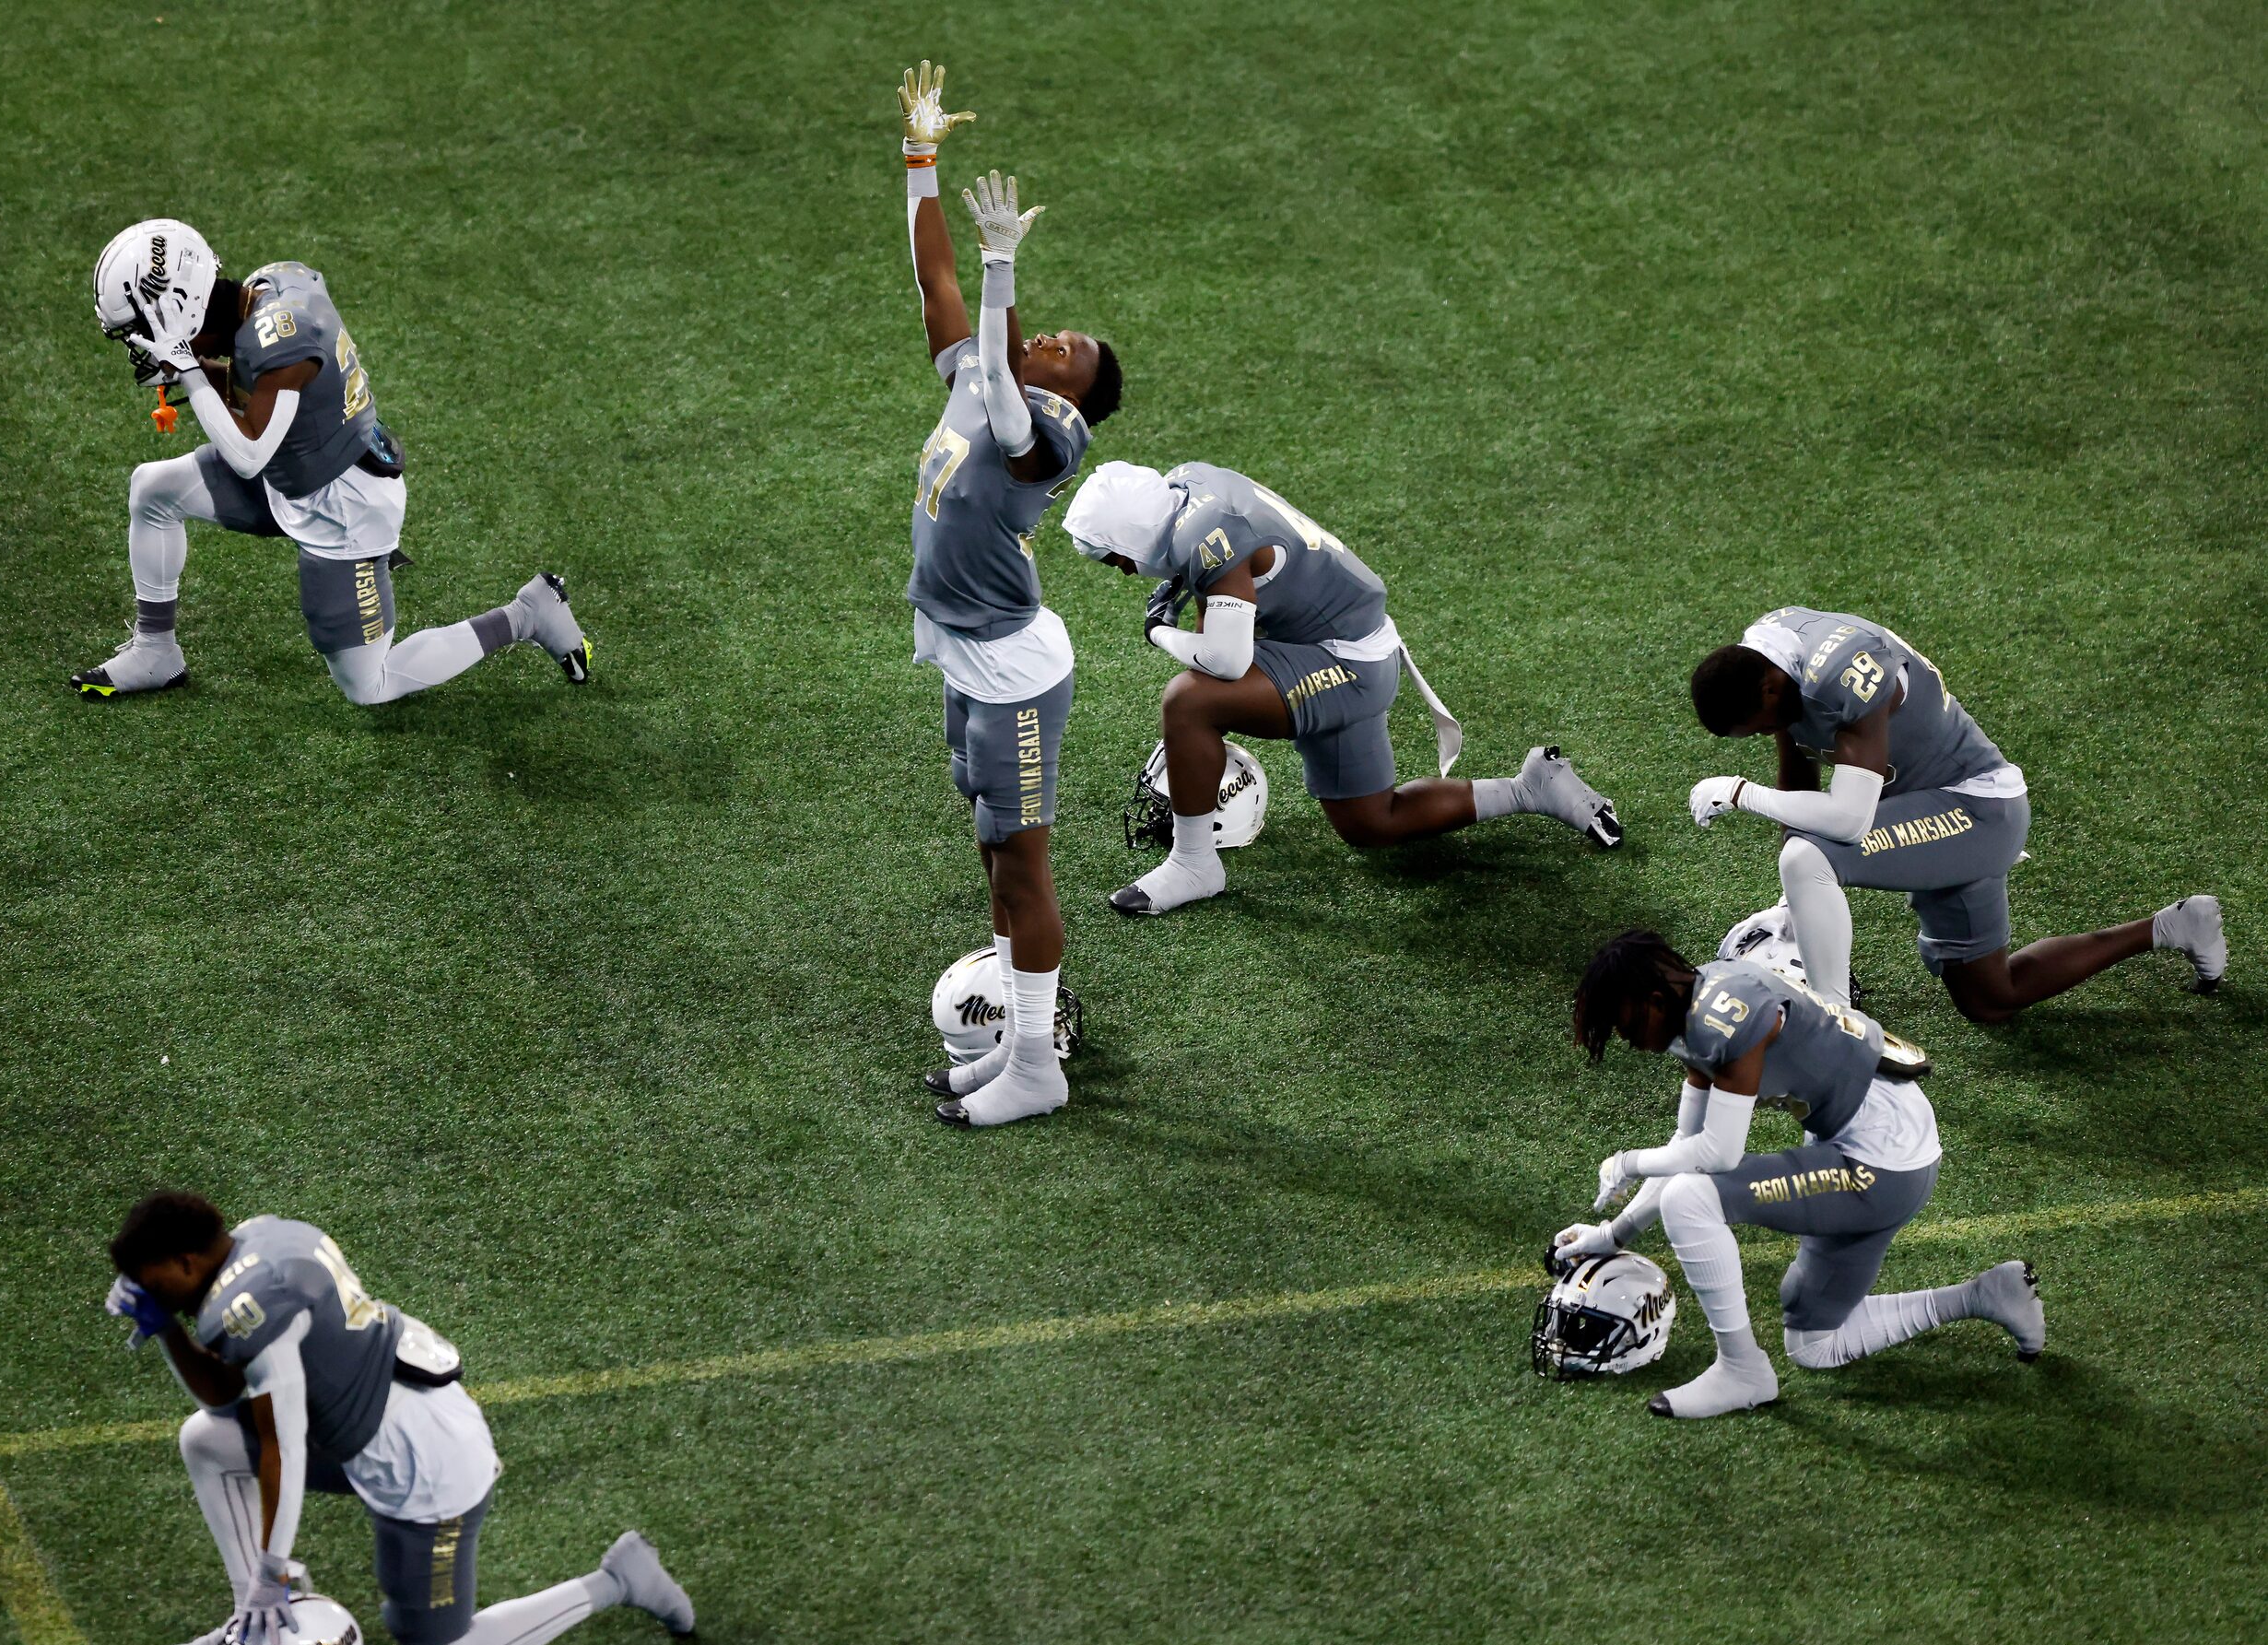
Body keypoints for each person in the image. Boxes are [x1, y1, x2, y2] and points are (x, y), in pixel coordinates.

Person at [103, 1192, 693, 1645]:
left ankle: (620, 1580)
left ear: (184, 1262)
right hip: (374, 1422)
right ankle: (255, 1628)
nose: (157, 1297)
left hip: (424, 1471)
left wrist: (272, 1570)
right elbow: (221, 1396)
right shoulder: (263, 1237)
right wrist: (163, 1331)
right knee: (206, 1442)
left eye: (156, 1287)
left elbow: (280, 1445)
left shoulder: (256, 1310)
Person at [1062, 460, 1620, 914]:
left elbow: (1227, 663)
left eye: (1112, 554)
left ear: (1131, 532)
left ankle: (1194, 865)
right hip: (1342, 641)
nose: (1120, 569)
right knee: (1371, 823)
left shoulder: (1208, 536)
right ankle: (1531, 787)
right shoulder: (1189, 484)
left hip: (1345, 662)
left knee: (1188, 702)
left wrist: (1161, 632)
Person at [79, 219, 587, 704]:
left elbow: (250, 453)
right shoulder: (271, 286)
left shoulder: (281, 340)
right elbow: (259, 393)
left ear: (181, 305)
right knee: (152, 489)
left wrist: (189, 369)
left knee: (370, 686)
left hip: (343, 508)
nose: (138, 343)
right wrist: (200, 372)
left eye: (142, 326)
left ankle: (527, 614)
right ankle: (155, 651)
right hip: (299, 471)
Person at [896, 64, 1122, 1123]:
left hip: (1015, 672)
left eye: (1068, 349)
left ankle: (1039, 1069)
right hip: (967, 650)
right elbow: (934, 286)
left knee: (1023, 873)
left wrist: (1002, 276)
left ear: (1080, 391)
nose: (1052, 337)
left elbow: (1004, 392)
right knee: (994, 857)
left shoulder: (1054, 435)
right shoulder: (986, 378)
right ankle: (1024, 1047)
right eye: (1050, 331)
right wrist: (920, 162)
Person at [1557, 931, 2045, 1418]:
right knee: (1814, 1343)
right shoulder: (1707, 998)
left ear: (1656, 1000)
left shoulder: (1722, 1019)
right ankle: (1985, 1295)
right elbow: (1688, 1147)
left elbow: (1719, 1154)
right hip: (1872, 1142)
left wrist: (1626, 1162)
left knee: (1690, 1199)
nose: (1631, 1043)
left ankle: (1742, 1371)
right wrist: (1613, 1234)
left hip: (1881, 1159)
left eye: (1625, 1028)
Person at [1687, 606, 2223, 1021]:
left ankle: (1836, 1025)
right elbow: (1799, 773)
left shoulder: (1841, 675)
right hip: (1928, 816)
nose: (1766, 734)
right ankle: (2175, 925)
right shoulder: (1772, 657)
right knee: (1990, 999)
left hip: (1976, 809)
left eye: (1759, 725)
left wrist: (1741, 793)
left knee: (1809, 858)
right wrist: (1791, 905)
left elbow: (1849, 820)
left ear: (1769, 687)